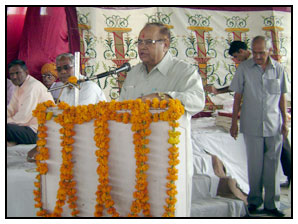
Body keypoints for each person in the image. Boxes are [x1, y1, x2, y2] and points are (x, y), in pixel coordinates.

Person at [119, 22, 205, 216]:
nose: (142, 47)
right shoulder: (133, 74)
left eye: (148, 42)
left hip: (168, 155)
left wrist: (163, 97)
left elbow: (198, 100)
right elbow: (121, 107)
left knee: (168, 209)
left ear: (165, 44)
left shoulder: (184, 72)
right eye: (139, 42)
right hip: (132, 153)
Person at [229, 36, 288, 217]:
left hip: (274, 125)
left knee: (273, 166)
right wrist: (233, 123)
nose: (257, 56)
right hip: (251, 124)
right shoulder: (244, 69)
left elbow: (282, 97)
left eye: (261, 52)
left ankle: (272, 204)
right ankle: (254, 201)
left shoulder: (279, 69)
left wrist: (285, 122)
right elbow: (237, 97)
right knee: (255, 166)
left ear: (269, 51)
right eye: (254, 52)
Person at [7, 60, 54, 146]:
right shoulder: (18, 86)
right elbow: (10, 109)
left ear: (26, 72)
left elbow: (23, 117)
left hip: (38, 132)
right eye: (11, 74)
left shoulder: (33, 86)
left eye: (17, 73)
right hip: (25, 127)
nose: (14, 77)